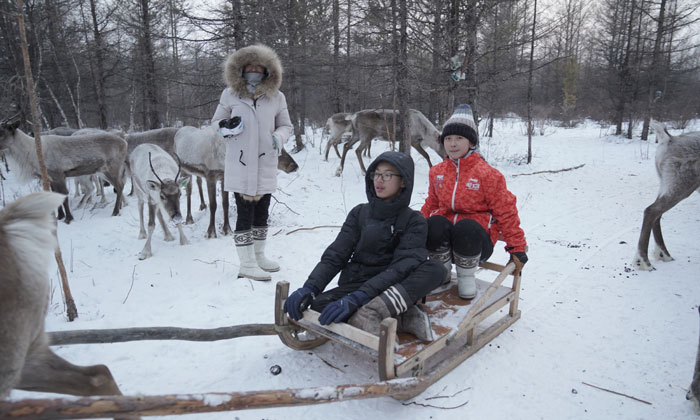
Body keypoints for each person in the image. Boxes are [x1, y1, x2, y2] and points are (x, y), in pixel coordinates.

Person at [283, 151, 445, 341]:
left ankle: (374, 312)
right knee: (320, 307)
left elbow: (402, 267)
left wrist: (360, 297)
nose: (379, 180)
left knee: (435, 269)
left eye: (388, 175)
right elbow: (336, 255)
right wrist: (310, 287)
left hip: (392, 286)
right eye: (376, 173)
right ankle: (401, 317)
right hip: (357, 283)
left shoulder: (413, 220)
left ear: (403, 182)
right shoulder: (359, 213)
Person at [421, 104, 528, 300]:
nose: (453, 144)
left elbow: (506, 211)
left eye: (459, 138)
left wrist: (517, 248)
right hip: (445, 246)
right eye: (448, 138)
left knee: (467, 226)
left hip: (476, 245)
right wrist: (414, 227)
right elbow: (431, 204)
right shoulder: (437, 172)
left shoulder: (487, 174)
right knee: (434, 223)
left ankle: (466, 278)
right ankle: (441, 273)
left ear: (471, 142)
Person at [212, 44, 292, 281]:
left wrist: (277, 138)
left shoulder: (277, 97)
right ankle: (246, 264)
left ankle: (258, 256)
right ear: (241, 68)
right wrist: (225, 127)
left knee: (262, 213)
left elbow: (286, 126)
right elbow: (217, 122)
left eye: (259, 66)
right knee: (245, 214)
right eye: (250, 66)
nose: (254, 70)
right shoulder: (230, 94)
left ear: (268, 70)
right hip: (240, 164)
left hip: (266, 162)